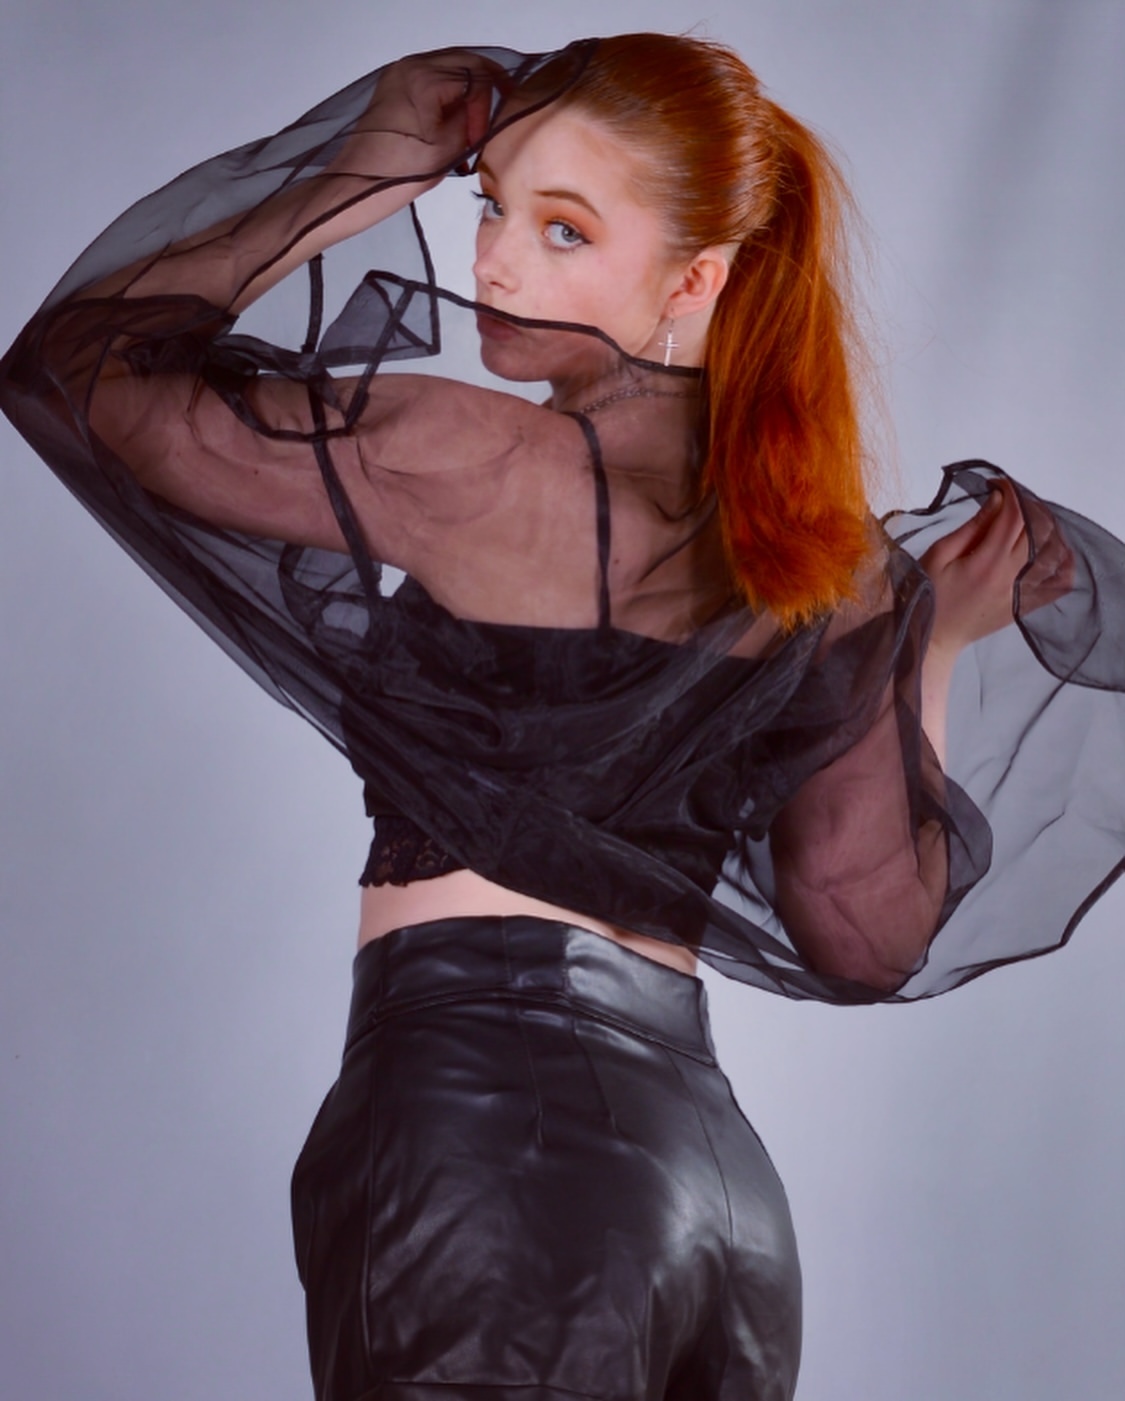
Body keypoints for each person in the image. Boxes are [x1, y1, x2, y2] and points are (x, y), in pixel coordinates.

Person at [2, 33, 1121, 1401]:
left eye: (564, 229)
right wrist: (925, 649)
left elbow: (75, 372)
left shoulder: (470, 457)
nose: (493, 263)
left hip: (490, 1145)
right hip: (718, 1198)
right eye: (489, 207)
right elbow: (864, 934)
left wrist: (365, 163)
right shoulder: (834, 578)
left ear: (694, 281)